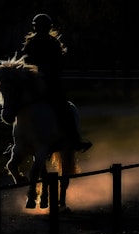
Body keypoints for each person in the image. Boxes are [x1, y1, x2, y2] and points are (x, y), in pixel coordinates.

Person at [20, 13, 92, 152]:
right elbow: (25, 62)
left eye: (43, 27)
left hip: (50, 83)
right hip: (34, 83)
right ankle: (17, 141)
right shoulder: (31, 44)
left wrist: (45, 72)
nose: (41, 29)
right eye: (39, 27)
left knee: (64, 108)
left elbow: (58, 65)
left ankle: (74, 139)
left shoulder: (52, 44)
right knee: (17, 107)